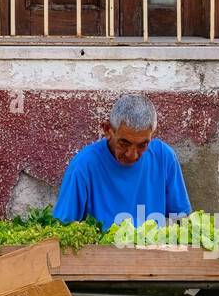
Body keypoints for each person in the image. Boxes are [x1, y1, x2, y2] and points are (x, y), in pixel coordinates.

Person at [53, 93, 191, 228]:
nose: (132, 155)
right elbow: (63, 227)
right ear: (108, 130)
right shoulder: (84, 165)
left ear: (151, 136)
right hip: (101, 250)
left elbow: (182, 219)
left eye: (143, 145)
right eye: (124, 143)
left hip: (151, 249)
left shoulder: (164, 157)